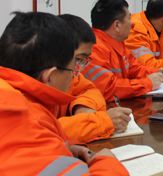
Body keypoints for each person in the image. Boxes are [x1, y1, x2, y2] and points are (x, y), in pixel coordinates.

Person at [0, 12, 127, 175]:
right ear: (50, 76)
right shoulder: (26, 124)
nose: (75, 74)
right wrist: (107, 162)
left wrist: (63, 150)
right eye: (73, 66)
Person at [57, 14, 132, 144]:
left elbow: (89, 89)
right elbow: (46, 133)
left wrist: (82, 106)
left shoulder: (71, 73)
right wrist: (103, 121)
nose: (132, 23)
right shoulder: (23, 92)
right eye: (79, 59)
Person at [82, 0, 163, 101]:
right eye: (129, 18)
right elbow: (108, 89)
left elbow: (135, 69)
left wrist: (159, 73)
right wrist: (147, 83)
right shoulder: (93, 48)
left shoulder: (118, 43)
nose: (132, 23)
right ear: (117, 25)